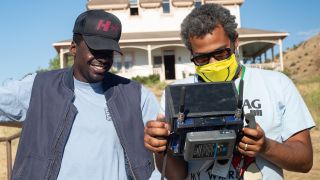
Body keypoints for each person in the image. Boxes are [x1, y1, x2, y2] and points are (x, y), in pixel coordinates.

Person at [144, 3, 315, 180]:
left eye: (221, 54)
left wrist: (266, 147)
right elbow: (176, 176)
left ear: (235, 42)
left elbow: (305, 161)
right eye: (202, 58)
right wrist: (161, 147)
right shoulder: (177, 94)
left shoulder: (278, 84)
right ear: (191, 54)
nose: (212, 64)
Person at [0, 10, 161, 180]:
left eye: (108, 51)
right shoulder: (39, 88)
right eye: (96, 49)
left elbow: (165, 155)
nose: (103, 58)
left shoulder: (137, 96)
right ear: (73, 48)